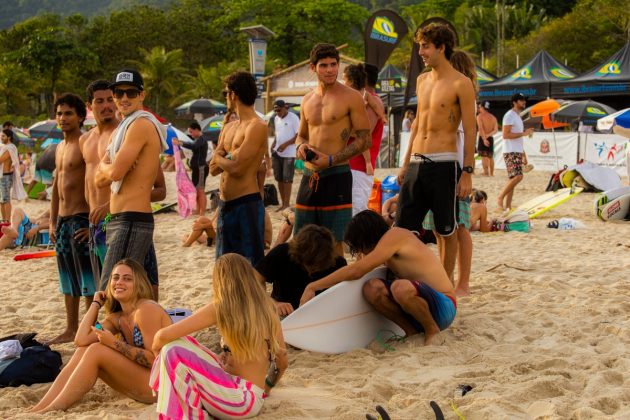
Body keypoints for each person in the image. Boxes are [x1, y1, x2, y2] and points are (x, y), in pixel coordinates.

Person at [150, 253, 289, 419]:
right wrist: (266, 388)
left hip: (237, 401)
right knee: (182, 344)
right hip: (252, 399)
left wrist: (156, 354)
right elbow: (282, 361)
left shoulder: (222, 307)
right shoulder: (269, 310)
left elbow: (162, 336)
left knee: (172, 349)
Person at [30, 259, 172, 413]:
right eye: (115, 277)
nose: (119, 282)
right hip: (146, 382)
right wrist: (95, 304)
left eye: (127, 278)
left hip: (164, 386)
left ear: (139, 284)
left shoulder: (146, 309)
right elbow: (81, 340)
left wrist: (114, 343)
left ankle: (55, 408)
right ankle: (42, 407)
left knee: (97, 350)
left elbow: (154, 359)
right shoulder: (118, 317)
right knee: (84, 350)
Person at [300, 210, 456, 345]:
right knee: (371, 288)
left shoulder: (394, 236)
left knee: (399, 287)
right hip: (420, 310)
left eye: (360, 246)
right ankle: (410, 331)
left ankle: (432, 331)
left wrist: (313, 286)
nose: (360, 252)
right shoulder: (385, 248)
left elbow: (356, 271)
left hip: (445, 306)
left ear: (367, 238)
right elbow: (357, 271)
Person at [397, 24, 476, 282]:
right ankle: (406, 278)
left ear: (441, 47)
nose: (421, 52)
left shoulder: (461, 83)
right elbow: (418, 124)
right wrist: (405, 163)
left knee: (446, 229)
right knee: (402, 230)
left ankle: (445, 284)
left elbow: (470, 130)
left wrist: (467, 172)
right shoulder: (422, 81)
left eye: (425, 46)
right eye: (420, 46)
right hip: (418, 162)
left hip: (444, 163)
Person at [293, 43, 371, 255]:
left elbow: (365, 140)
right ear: (313, 68)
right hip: (309, 175)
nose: (329, 69)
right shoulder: (307, 100)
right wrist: (301, 146)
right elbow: (301, 134)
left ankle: (333, 284)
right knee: (303, 237)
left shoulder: (351, 97)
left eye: (333, 64)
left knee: (335, 239)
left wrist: (331, 160)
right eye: (324, 65)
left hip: (337, 174)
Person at [95, 69, 168, 294]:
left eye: (131, 93)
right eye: (119, 93)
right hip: (122, 218)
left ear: (142, 95)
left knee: (111, 290)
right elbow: (99, 180)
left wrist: (106, 165)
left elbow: (113, 173)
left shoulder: (140, 125)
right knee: (135, 290)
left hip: (132, 220)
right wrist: (108, 167)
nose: (124, 99)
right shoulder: (123, 129)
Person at [421, 50, 477, 296]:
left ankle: (462, 282)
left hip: (455, 167)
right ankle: (449, 277)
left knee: (460, 226)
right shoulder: (437, 88)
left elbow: (468, 136)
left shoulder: (461, 91)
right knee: (440, 227)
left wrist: (467, 171)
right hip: (439, 166)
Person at [48, 93, 95, 345]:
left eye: (68, 113)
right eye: (59, 113)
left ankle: (88, 327)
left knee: (86, 277)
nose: (62, 118)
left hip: (81, 218)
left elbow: (94, 183)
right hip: (64, 220)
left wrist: (92, 224)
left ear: (79, 116)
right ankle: (71, 328)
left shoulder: (86, 142)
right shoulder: (60, 146)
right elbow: (56, 185)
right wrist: (53, 220)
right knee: (67, 276)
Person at [209, 71, 268, 265]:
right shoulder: (229, 127)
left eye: (226, 93)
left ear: (233, 94)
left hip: (246, 203)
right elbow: (212, 169)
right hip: (225, 204)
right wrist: (223, 158)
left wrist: (220, 156)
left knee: (250, 266)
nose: (225, 97)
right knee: (224, 265)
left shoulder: (257, 126)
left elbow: (237, 169)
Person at [255, 224, 346, 316]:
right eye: (309, 264)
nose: (312, 270)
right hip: (284, 313)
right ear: (298, 253)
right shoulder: (282, 252)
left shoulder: (337, 262)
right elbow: (254, 280)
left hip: (322, 314)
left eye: (319, 265)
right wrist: (273, 303)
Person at [80, 80, 118, 284]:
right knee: (101, 286)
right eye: (100, 101)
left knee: (120, 284)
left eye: (111, 100)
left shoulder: (123, 134)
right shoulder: (85, 140)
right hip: (94, 224)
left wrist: (110, 206)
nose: (107, 106)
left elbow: (144, 184)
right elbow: (88, 184)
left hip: (117, 219)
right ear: (89, 106)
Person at [343, 63, 385, 216]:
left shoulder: (374, 101)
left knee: (356, 214)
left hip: (359, 167)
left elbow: (363, 133)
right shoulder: (364, 100)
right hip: (351, 165)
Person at [497, 93, 533, 211]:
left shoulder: (517, 116)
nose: (524, 102)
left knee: (512, 179)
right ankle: (500, 197)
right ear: (514, 102)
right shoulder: (509, 115)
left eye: (524, 100)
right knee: (518, 176)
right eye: (521, 100)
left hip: (515, 151)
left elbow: (518, 138)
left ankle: (508, 206)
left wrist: (523, 154)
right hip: (510, 151)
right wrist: (524, 133)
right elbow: (505, 135)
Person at [270, 100, 299, 212]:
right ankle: (283, 203)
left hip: (289, 153)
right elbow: (278, 135)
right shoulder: (276, 119)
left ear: (285, 108)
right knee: (279, 179)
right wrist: (273, 144)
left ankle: (287, 204)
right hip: (277, 152)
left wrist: (286, 145)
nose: (277, 113)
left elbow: (298, 135)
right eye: (275, 111)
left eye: (279, 110)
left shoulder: (294, 118)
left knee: (287, 179)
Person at [174, 121, 208, 215]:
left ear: (197, 130)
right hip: (196, 168)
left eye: (191, 132)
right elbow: (192, 145)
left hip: (201, 168)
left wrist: (180, 143)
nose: (191, 134)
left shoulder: (202, 139)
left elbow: (193, 146)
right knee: (195, 189)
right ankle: (197, 210)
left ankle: (202, 212)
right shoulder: (198, 139)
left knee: (200, 190)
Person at [0, 129, 26, 220]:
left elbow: (0, 160)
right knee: (2, 201)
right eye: (1, 136)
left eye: (3, 136)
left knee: (6, 200)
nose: (1, 138)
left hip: (6, 177)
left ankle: (6, 221)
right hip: (3, 176)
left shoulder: (10, 147)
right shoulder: (4, 147)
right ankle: (4, 220)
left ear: (9, 137)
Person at [476, 101, 498, 176]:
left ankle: (486, 172)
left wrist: (484, 139)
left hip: (483, 137)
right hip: (490, 138)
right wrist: (488, 135)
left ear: (482, 107)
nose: (479, 108)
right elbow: (495, 130)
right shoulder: (493, 117)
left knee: (484, 156)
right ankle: (491, 173)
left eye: (479, 107)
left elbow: (481, 128)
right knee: (490, 156)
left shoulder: (479, 116)